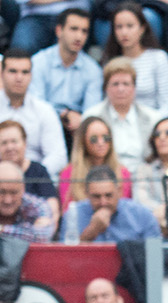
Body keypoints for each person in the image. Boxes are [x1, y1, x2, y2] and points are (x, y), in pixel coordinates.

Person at [30, 9, 101, 140]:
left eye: (84, 31)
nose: (79, 36)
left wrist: (79, 120)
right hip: (43, 126)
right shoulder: (39, 62)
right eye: (74, 29)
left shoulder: (93, 69)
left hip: (78, 130)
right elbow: (36, 104)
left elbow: (92, 111)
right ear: (59, 30)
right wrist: (63, 115)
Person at [0, 49, 68, 177]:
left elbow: (58, 156)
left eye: (25, 72)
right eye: (13, 71)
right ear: (2, 74)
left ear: (31, 75)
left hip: (35, 181)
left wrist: (32, 175)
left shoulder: (45, 110)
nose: (19, 78)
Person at [81, 58, 159, 168]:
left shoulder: (152, 118)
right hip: (104, 174)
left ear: (134, 88)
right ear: (106, 88)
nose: (121, 89)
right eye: (115, 84)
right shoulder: (91, 116)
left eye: (126, 84)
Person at [100, 3, 168, 116]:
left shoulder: (159, 57)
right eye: (119, 27)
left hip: (153, 121)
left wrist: (153, 123)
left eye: (130, 26)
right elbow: (106, 103)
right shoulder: (109, 61)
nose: (124, 32)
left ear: (142, 29)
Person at [64, 163, 157, 242]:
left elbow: (155, 255)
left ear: (119, 191)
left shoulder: (142, 215)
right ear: (87, 194)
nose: (103, 202)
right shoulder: (73, 215)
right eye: (96, 197)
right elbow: (64, 255)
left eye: (108, 195)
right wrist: (91, 231)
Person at [57, 115, 130, 211]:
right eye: (94, 139)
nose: (101, 143)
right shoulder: (69, 174)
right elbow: (68, 212)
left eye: (106, 137)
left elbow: (126, 208)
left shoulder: (122, 173)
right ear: (83, 141)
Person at [0, 119, 59, 228]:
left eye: (14, 141)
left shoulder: (38, 171)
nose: (10, 147)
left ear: (25, 143)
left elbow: (52, 214)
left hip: (31, 236)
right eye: (4, 143)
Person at [0, 159, 55, 240]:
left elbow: (43, 235)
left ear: (23, 189)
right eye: (2, 192)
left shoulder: (37, 205)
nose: (8, 200)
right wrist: (28, 231)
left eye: (14, 192)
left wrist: (2, 229)